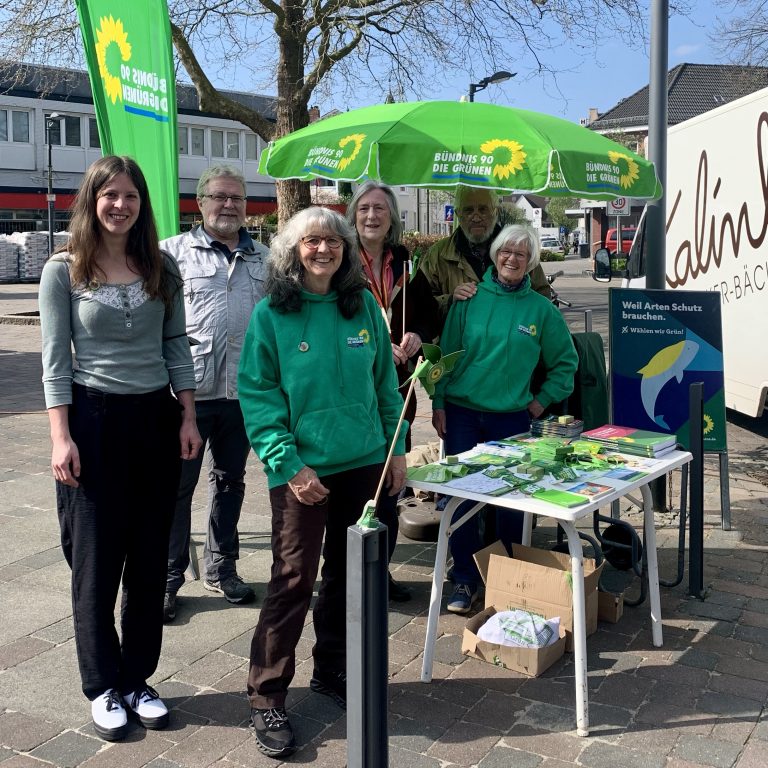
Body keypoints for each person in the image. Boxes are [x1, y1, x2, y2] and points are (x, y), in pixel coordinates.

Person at [39, 155, 202, 741]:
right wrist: (62, 437)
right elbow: (56, 363)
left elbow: (177, 346)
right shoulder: (65, 271)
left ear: (143, 204)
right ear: (92, 201)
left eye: (131, 196)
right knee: (96, 561)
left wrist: (187, 415)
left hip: (156, 421)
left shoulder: (160, 268)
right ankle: (103, 685)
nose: (121, 205)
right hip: (94, 421)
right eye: (110, 195)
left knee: (149, 555)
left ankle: (138, 678)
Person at [238, 207, 407, 759]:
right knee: (292, 579)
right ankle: (266, 695)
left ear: (347, 251)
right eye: (311, 241)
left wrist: (396, 450)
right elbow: (259, 400)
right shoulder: (271, 316)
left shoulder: (362, 311)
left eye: (333, 241)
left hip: (364, 465)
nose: (323, 250)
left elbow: (386, 388)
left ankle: (332, 668)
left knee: (348, 577)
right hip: (303, 473)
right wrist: (289, 466)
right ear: (293, 250)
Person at [431, 224, 578, 614]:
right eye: (505, 252)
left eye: (521, 254)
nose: (512, 259)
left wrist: (540, 401)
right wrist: (439, 402)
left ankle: (507, 580)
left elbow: (566, 364)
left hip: (511, 419)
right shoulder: (469, 299)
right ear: (495, 255)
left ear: (531, 262)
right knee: (461, 499)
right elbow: (444, 357)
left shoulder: (541, 311)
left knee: (511, 502)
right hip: (462, 415)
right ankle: (464, 577)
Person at [161, 165, 268, 621]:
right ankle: (168, 575)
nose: (228, 206)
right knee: (175, 488)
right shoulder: (171, 255)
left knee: (230, 482)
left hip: (242, 397)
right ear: (200, 203)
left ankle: (222, 567)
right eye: (220, 197)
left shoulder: (265, 257)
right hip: (186, 395)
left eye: (237, 199)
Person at [346, 181, 440, 602]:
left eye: (380, 209)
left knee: (391, 482)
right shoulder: (341, 261)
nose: (371, 216)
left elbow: (427, 314)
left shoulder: (404, 263)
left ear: (392, 217)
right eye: (364, 208)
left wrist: (417, 335)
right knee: (355, 481)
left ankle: (379, 570)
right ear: (353, 215)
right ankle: (348, 574)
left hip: (399, 390)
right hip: (352, 391)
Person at [419, 186, 551, 318]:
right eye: (469, 210)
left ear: (496, 212)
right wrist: (450, 301)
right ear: (458, 214)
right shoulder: (438, 254)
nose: (476, 218)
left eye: (483, 209)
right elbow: (419, 303)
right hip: (458, 337)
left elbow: (542, 298)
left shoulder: (518, 250)